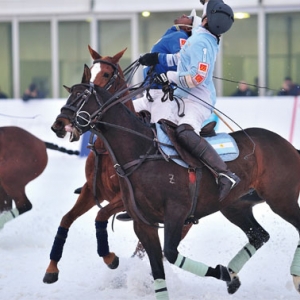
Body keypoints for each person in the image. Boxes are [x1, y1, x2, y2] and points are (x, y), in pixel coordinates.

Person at [138, 0, 240, 202]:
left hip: (199, 98)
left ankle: (225, 174)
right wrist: (156, 58)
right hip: (184, 96)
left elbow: (197, 79)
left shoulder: (203, 43)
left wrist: (170, 77)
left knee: (184, 132)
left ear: (207, 19)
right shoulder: (201, 35)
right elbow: (179, 58)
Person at [133, 10, 201, 122]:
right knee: (120, 112)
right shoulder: (174, 34)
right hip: (149, 95)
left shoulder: (181, 36)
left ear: (188, 28)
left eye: (189, 18)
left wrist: (158, 59)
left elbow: (182, 61)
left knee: (160, 133)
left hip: (162, 97)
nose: (184, 15)